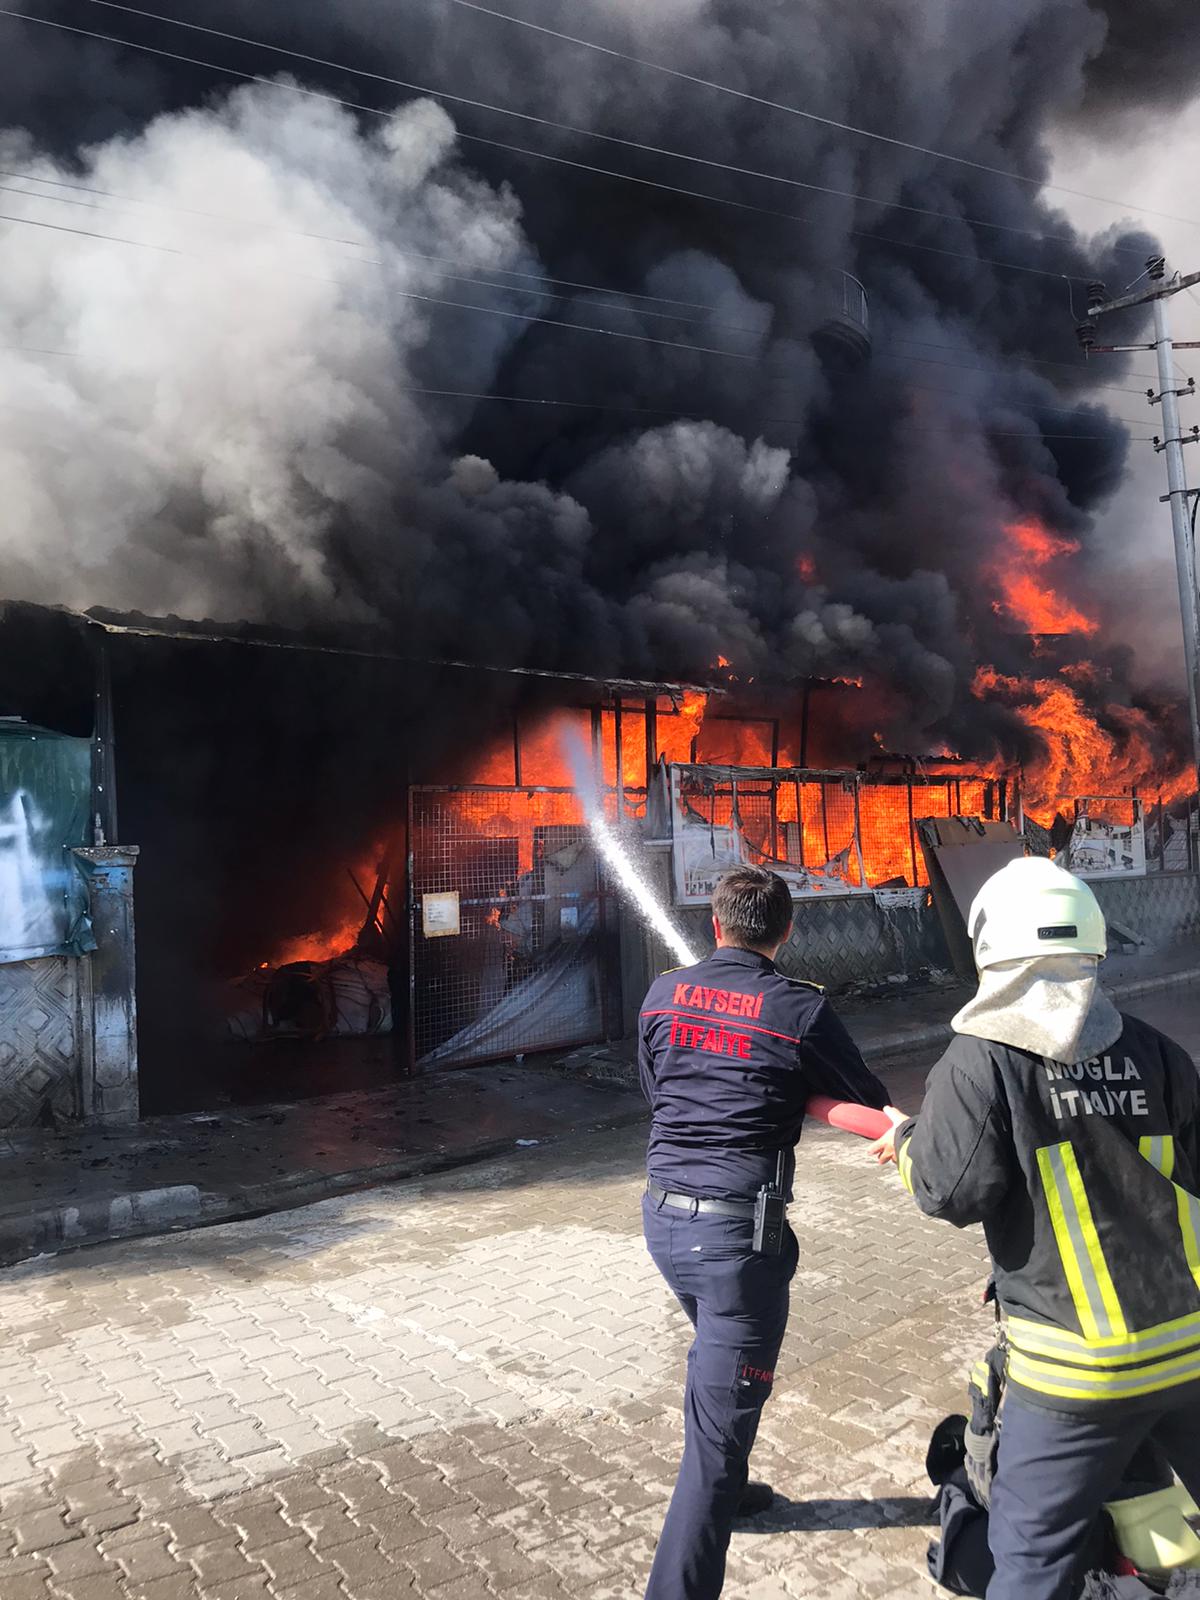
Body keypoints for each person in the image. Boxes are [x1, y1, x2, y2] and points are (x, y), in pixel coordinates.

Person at [872, 855, 1200, 1600]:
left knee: (1030, 1559)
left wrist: (911, 1144)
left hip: (1076, 1373)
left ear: (990, 946)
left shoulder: (980, 1063)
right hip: (1189, 1352)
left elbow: (948, 1191)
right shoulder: (1155, 1050)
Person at [639, 863, 899, 1600]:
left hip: (662, 1222)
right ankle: (707, 1516)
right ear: (787, 931)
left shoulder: (662, 994)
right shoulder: (799, 1010)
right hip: (736, 1246)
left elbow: (657, 1092)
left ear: (714, 925)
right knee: (715, 1442)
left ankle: (730, 1480)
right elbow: (867, 1099)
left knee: (717, 1372)